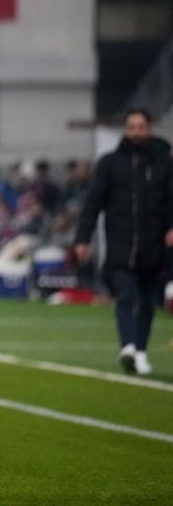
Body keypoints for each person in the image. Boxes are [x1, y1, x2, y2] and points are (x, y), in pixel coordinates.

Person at [74, 108, 173, 376]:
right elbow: (93, 202)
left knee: (148, 302)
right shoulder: (110, 163)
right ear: (125, 129)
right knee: (126, 296)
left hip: (153, 245)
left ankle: (141, 351)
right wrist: (82, 238)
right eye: (131, 127)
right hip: (120, 242)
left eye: (141, 127)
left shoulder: (163, 162)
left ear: (149, 128)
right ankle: (128, 346)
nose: (136, 132)